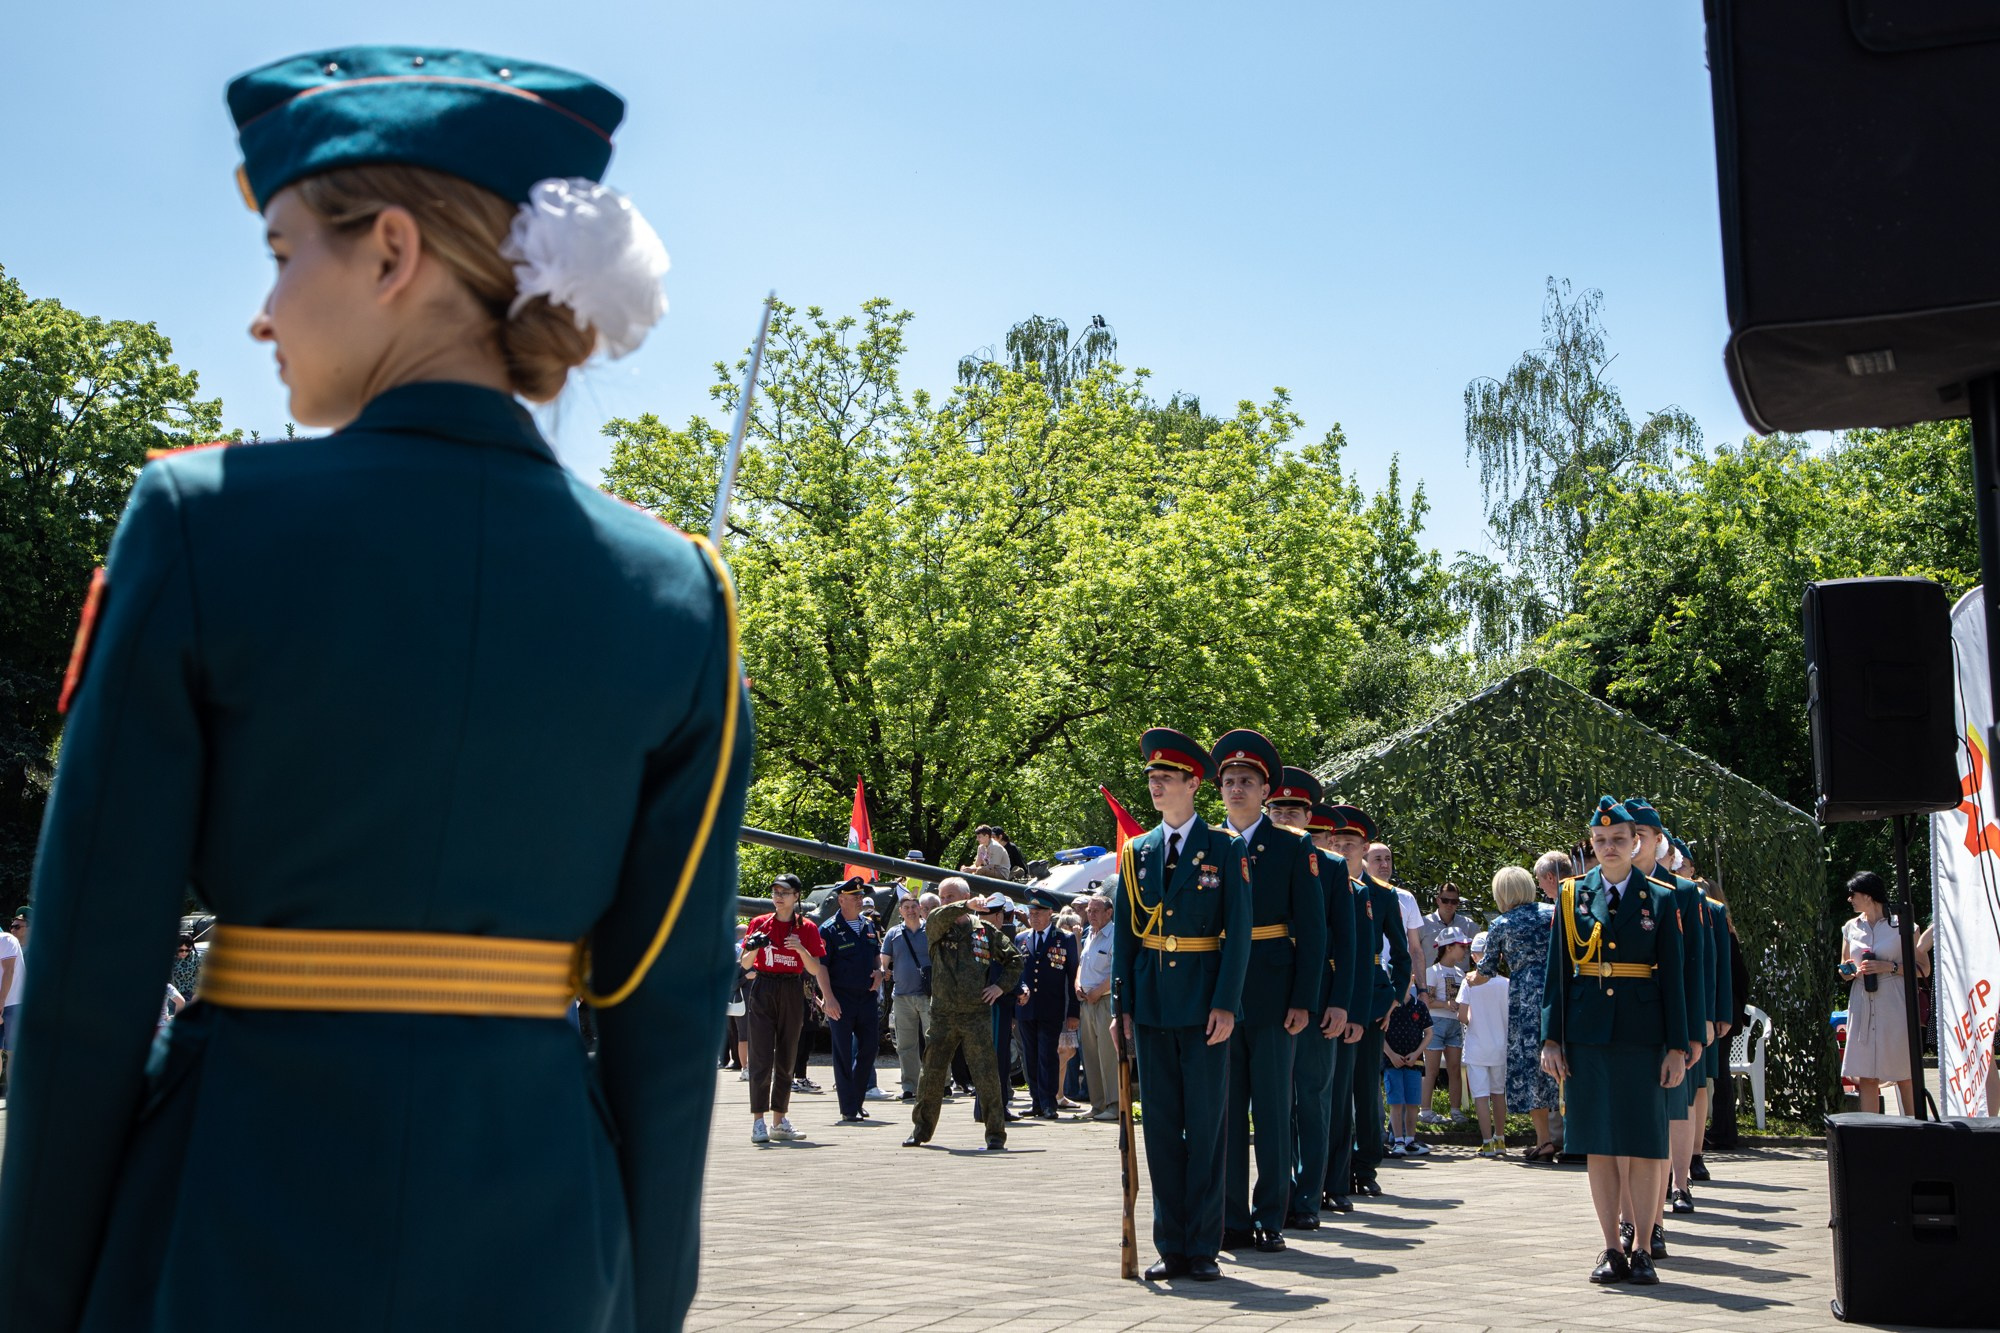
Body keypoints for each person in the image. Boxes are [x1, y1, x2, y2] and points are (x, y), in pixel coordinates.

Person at [0, 46, 748, 1333]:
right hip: (541, 1239)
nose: (263, 310)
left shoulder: (197, 522)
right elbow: (666, 1011)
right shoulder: (678, 592)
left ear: (391, 252)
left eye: (283, 251)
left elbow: (89, 976)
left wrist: (35, 1298)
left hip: (231, 1210)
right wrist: (643, 1300)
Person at [1112, 727, 1252, 1283]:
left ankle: (1203, 1247)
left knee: (1207, 1126)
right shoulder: (1136, 851)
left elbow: (1238, 934)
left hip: (1203, 1005)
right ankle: (1170, 1244)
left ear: (1194, 784)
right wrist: (1122, 1006)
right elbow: (1127, 937)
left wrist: (1227, 1003)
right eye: (1152, 777)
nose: (1156, 785)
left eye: (1166, 777)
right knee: (1162, 1129)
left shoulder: (1225, 848)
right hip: (1151, 1006)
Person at [1541, 797, 1690, 1287]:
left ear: (1636, 842)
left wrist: (1677, 1046)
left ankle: (1643, 1247)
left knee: (1645, 1143)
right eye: (1601, 840)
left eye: (1618, 839)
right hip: (1587, 1035)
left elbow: (1674, 978)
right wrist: (1551, 1039)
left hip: (1643, 1036)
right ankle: (1611, 1247)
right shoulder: (1571, 895)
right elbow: (1557, 974)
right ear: (1592, 844)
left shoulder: (1661, 898)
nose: (1609, 847)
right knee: (1599, 1144)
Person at [1212, 743, 1325, 1255]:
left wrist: (1304, 998)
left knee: (1275, 1110)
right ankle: (1232, 1217)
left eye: (1247, 782)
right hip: (1219, 991)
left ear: (1265, 792)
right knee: (1226, 1111)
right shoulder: (1207, 844)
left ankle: (1270, 1215)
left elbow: (1313, 929)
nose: (1237, 789)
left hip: (1273, 990)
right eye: (1229, 781)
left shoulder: (1291, 847)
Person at [904, 877, 1023, 1151]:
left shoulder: (984, 931)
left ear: (967, 896)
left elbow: (1015, 960)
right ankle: (921, 1130)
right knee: (931, 1074)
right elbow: (938, 915)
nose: (945, 901)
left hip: (975, 1014)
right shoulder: (936, 924)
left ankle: (995, 1133)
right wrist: (963, 906)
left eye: (951, 896)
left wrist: (999, 987)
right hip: (943, 1015)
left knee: (986, 1075)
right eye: (943, 896)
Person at [1289, 796, 1361, 1229]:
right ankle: (1280, 1191)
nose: (1284, 820)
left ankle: (1308, 1194)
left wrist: (1341, 1003)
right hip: (1272, 995)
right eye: (1276, 812)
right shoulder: (1252, 856)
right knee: (1276, 1104)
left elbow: (1348, 943)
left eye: (1293, 814)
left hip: (1319, 997)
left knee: (1312, 1099)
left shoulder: (1332, 869)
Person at [1467, 865, 1560, 1161]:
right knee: (1565, 1061)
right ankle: (1576, 1139)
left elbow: (1487, 969)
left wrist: (1472, 978)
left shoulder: (1502, 923)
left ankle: (1544, 1141)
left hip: (1526, 997)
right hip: (1559, 990)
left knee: (1532, 1066)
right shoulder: (1553, 912)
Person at [743, 875, 837, 1143]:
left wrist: (801, 950)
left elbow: (815, 969)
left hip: (792, 988)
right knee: (760, 1056)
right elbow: (746, 963)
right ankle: (758, 1122)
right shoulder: (760, 923)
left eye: (784, 892)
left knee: (787, 1056)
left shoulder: (807, 927)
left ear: (797, 896)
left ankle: (779, 1120)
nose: (778, 897)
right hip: (764, 987)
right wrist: (754, 947)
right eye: (775, 892)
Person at [1349, 822, 1412, 1198]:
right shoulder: (1320, 881)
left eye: (1351, 843)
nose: (1343, 849)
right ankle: (1334, 1166)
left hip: (1371, 998)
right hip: (1329, 993)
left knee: (1366, 1088)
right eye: (1338, 842)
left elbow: (1403, 956)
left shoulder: (1383, 895)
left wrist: (1394, 1000)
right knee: (1329, 1091)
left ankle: (1366, 1165)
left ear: (1364, 847)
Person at [1841, 870, 1921, 1114]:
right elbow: (1844, 965)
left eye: (1853, 894)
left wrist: (1890, 967)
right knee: (1866, 1074)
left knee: (1904, 1072)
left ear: (1868, 895)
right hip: (1862, 999)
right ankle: (1871, 1130)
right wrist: (1849, 971)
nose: (1849, 899)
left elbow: (1923, 968)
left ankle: (1916, 1127)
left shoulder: (1902, 925)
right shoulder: (1851, 927)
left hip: (1893, 1000)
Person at [822, 878, 884, 1124]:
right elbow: (821, 967)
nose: (860, 900)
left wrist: (880, 972)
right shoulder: (829, 929)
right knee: (843, 1053)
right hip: (841, 998)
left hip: (866, 996)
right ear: (841, 900)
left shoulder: (868, 925)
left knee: (870, 1047)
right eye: (854, 896)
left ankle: (856, 1100)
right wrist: (828, 998)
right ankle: (849, 1108)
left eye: (860, 896)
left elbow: (876, 955)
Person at [1014, 888, 1080, 1118]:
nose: (1033, 917)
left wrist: (1073, 1012)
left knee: (1047, 1055)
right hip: (1026, 1008)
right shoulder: (1021, 938)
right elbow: (1016, 974)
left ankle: (1049, 1102)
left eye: (1038, 913)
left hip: (1051, 1008)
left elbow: (1073, 975)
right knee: (1030, 1056)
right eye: (1031, 913)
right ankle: (1036, 1101)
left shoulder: (1065, 938)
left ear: (1050, 913)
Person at [973, 893, 1026, 1124]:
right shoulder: (983, 938)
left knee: (1000, 1059)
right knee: (993, 1059)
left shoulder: (990, 936)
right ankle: (990, 1109)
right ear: (998, 916)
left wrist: (1019, 989)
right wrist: (1015, 990)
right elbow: (994, 973)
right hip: (991, 1006)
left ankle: (996, 1107)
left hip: (1001, 1005)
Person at [1458, 931, 1510, 1156]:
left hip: (1477, 1047)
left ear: (1474, 956)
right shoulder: (1507, 983)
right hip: (1500, 1047)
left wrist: (1473, 1019)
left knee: (1481, 1095)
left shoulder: (1469, 981)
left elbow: (1462, 1016)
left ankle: (1487, 1142)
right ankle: (1501, 1139)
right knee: (1498, 1093)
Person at [881, 892, 934, 1102]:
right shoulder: (893, 933)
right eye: (906, 907)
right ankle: (910, 1087)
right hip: (902, 996)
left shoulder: (931, 930)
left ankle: (941, 1084)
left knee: (935, 1041)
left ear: (920, 909)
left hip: (928, 995)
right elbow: (884, 959)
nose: (910, 911)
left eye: (914, 906)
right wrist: (882, 970)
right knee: (905, 1045)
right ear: (901, 911)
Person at [1074, 887, 1119, 1121]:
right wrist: (1077, 984)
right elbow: (1082, 964)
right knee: (1090, 1056)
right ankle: (1098, 1104)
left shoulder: (1115, 935)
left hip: (1104, 1001)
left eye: (1095, 911)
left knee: (1108, 1055)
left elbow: (1117, 970)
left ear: (1109, 913)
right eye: (1089, 910)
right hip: (1087, 1003)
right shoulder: (1089, 934)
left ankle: (1114, 1105)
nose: (1090, 914)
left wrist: (1098, 991)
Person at [1420, 928, 1471, 1127]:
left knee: (1455, 1069)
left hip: (1454, 1024)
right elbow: (1426, 1001)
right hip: (1435, 1024)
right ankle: (1425, 1111)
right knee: (1431, 1069)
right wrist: (1445, 1005)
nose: (1465, 950)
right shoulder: (1432, 971)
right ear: (1448, 948)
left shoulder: (1460, 973)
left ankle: (1455, 1111)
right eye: (1461, 946)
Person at [1382, 983, 1432, 1156]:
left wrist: (1417, 1053)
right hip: (1392, 1063)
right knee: (1395, 1102)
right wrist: (1391, 1055)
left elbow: (1429, 1033)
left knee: (1412, 1103)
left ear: (1411, 980)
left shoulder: (1419, 1006)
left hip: (1414, 1062)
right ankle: (1398, 1140)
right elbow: (1379, 1032)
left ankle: (1410, 1140)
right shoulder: (1387, 1005)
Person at [1368, 842, 1423, 991]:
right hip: (1368, 977)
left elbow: (1415, 948)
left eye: (1388, 859)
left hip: (1400, 983)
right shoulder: (1355, 894)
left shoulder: (1406, 898)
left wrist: (1423, 989)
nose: (1385, 864)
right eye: (1378, 859)